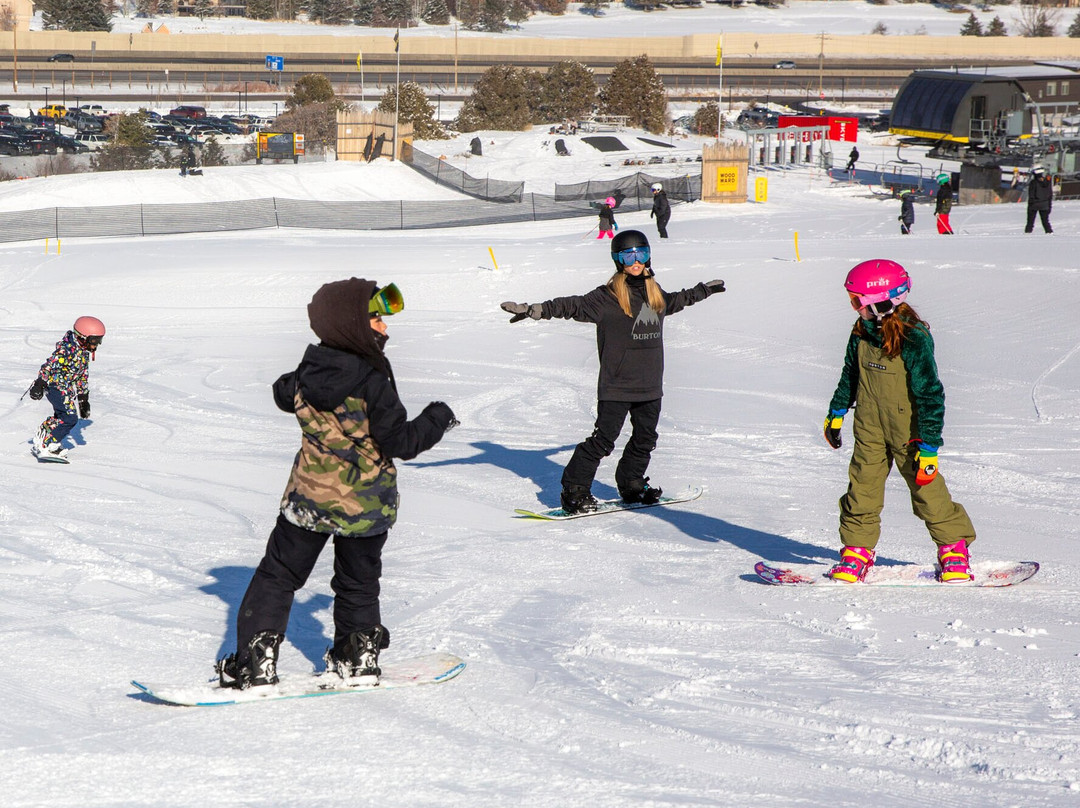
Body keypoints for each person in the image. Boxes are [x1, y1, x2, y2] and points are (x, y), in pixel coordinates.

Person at [216, 278, 457, 690]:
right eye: (376, 318)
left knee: (279, 575)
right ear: (353, 325)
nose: (384, 326)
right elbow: (402, 442)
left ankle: (256, 663)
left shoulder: (308, 373)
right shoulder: (372, 381)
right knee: (357, 583)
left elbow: (281, 392)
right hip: (366, 506)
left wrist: (306, 376)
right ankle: (358, 658)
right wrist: (437, 417)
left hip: (308, 502)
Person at [499, 230, 726, 514]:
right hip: (617, 385)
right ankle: (575, 491)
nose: (636, 261)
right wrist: (534, 309)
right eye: (628, 256)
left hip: (650, 384)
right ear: (618, 260)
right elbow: (570, 305)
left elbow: (679, 299)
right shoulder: (605, 298)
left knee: (645, 439)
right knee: (603, 441)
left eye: (641, 254)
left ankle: (631, 483)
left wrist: (704, 290)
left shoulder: (655, 294)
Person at [822, 260, 976, 584]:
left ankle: (953, 547)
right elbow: (850, 375)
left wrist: (930, 445)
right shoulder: (861, 332)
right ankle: (857, 550)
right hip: (869, 425)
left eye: (857, 301)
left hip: (909, 431)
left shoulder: (914, 337)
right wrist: (836, 412)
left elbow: (930, 394)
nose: (854, 308)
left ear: (881, 303)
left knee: (926, 489)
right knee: (862, 487)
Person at [28, 316, 106, 461]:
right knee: (70, 418)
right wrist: (39, 384)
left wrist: (83, 399)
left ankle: (43, 433)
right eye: (94, 341)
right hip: (55, 387)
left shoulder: (83, 352)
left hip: (65, 389)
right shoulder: (67, 349)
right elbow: (49, 366)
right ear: (82, 337)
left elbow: (82, 376)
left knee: (62, 416)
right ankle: (49, 445)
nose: (97, 345)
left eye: (99, 340)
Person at [1025, 166, 1053, 234]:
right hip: (1045, 204)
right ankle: (1049, 233)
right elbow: (1050, 194)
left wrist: (1030, 204)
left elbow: (1031, 194)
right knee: (1045, 221)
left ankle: (1027, 233)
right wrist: (1049, 205)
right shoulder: (1047, 182)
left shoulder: (1033, 182)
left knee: (1030, 222)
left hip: (1034, 204)